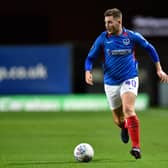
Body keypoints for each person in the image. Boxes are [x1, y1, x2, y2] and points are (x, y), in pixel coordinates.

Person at [84, 8, 168, 159]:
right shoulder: (103, 38)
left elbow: (151, 49)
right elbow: (90, 58)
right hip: (110, 82)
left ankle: (136, 147)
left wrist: (159, 69)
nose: (107, 25)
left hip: (129, 78)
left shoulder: (131, 36)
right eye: (105, 22)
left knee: (129, 110)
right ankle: (124, 127)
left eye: (110, 22)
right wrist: (88, 71)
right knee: (118, 120)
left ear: (119, 21)